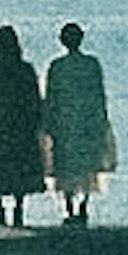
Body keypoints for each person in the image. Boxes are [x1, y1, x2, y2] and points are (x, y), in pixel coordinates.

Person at [0, 25, 47, 227]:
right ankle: (19, 208)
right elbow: (34, 99)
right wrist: (38, 120)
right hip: (21, 126)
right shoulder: (25, 69)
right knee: (21, 166)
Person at [43, 20, 117, 225]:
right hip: (86, 122)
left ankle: (69, 210)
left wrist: (48, 123)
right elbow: (99, 95)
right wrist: (101, 120)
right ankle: (83, 207)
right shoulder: (91, 64)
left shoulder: (57, 66)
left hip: (65, 123)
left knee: (65, 167)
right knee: (86, 166)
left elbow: (51, 97)